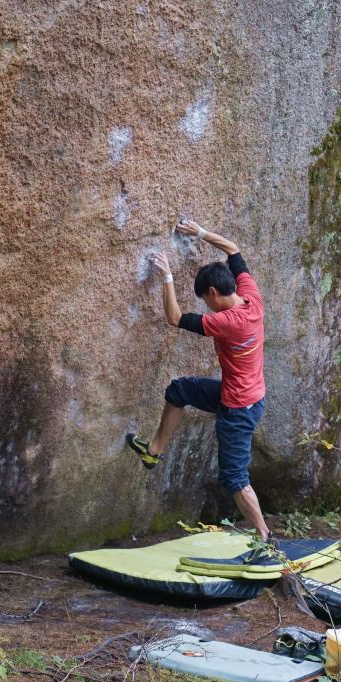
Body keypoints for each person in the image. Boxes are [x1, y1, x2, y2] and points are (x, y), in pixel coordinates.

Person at [126, 220, 270, 542]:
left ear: (215, 293)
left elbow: (175, 318)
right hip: (244, 394)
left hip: (238, 408)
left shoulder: (228, 321)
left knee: (233, 478)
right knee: (180, 390)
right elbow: (233, 249)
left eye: (205, 299)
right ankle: (154, 451)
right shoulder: (251, 297)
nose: (206, 305)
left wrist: (167, 275)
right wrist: (201, 233)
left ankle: (264, 536)